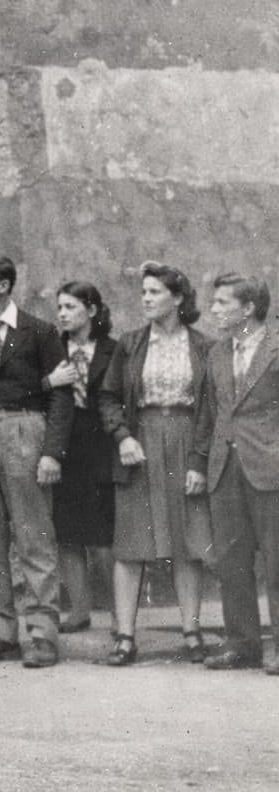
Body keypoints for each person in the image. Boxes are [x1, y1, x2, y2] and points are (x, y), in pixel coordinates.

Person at [0, 253, 74, 668]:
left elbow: (62, 396)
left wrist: (52, 452)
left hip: (25, 431)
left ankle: (41, 634)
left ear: (4, 286)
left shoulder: (40, 333)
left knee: (33, 533)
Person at [97, 262, 215, 667]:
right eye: (143, 292)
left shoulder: (202, 346)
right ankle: (125, 638)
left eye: (154, 292)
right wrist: (123, 437)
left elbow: (211, 411)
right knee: (131, 545)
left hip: (185, 442)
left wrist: (199, 461)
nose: (146, 299)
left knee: (187, 544)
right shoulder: (129, 344)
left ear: (178, 298)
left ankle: (192, 632)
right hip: (140, 447)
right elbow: (108, 397)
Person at [196, 273, 279, 672]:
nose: (213, 310)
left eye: (222, 303)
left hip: (271, 468)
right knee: (231, 562)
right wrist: (200, 464)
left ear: (248, 309)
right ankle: (242, 645)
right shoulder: (215, 353)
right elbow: (209, 414)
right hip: (225, 470)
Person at [49, 281, 117, 636]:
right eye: (59, 307)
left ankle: (120, 613)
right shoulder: (52, 350)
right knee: (67, 533)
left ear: (91, 311)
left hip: (102, 445)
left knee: (104, 536)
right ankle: (79, 610)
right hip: (63, 445)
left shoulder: (113, 350)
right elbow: (34, 389)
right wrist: (50, 380)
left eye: (70, 307)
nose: (62, 314)